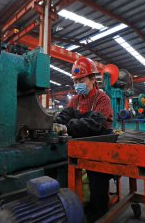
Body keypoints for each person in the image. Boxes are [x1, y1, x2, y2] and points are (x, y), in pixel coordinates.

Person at [53, 57, 113, 222]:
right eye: (75, 80)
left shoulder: (102, 99)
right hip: (81, 147)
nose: (78, 83)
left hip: (101, 148)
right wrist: (53, 123)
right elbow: (64, 116)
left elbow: (94, 123)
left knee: (97, 181)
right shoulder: (76, 100)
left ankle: (99, 215)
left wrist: (68, 127)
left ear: (93, 79)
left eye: (82, 80)